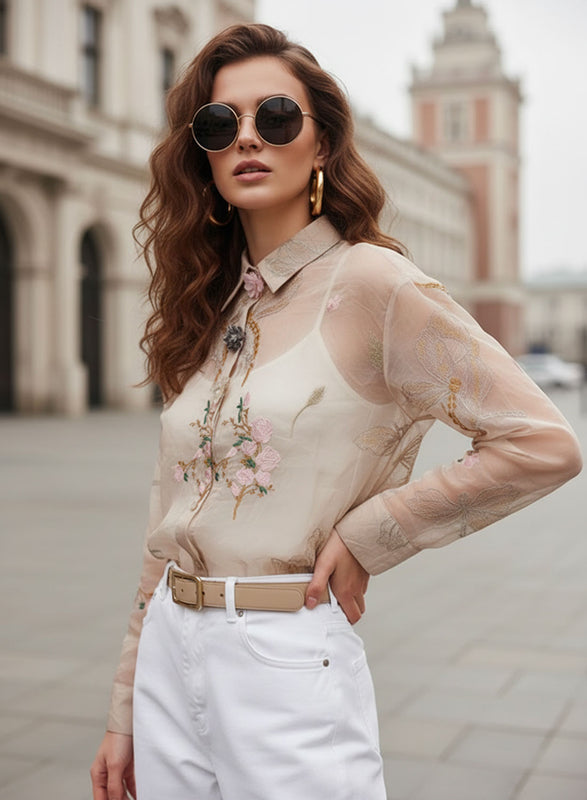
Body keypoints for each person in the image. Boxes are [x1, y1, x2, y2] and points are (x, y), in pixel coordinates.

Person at [90, 22, 582, 800]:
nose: (247, 137)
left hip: (281, 659)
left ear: (320, 143)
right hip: (167, 654)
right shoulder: (211, 306)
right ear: (203, 155)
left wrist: (371, 532)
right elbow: (166, 515)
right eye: (219, 124)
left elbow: (541, 443)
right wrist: (125, 707)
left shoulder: (373, 284)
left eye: (275, 116)